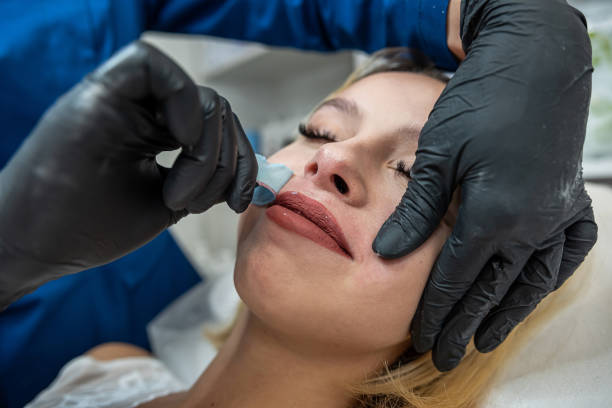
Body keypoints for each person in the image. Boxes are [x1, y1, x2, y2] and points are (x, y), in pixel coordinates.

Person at [0, 0, 597, 404]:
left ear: (480, 290)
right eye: (320, 130)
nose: (330, 159)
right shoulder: (104, 369)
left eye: (415, 175)